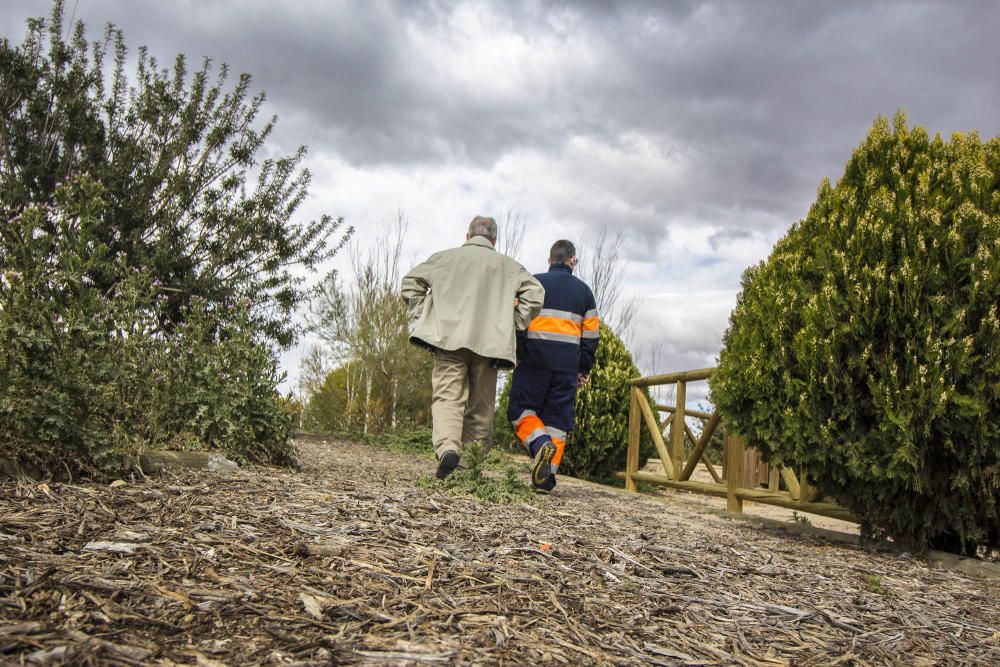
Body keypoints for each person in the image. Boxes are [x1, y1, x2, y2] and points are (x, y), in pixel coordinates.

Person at [401, 216, 544, 480]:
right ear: (494, 240)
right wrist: (513, 322)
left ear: (468, 236)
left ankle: (447, 449)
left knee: (447, 397)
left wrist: (427, 314)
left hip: (448, 338)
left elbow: (411, 283)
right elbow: (535, 293)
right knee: (481, 405)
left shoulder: (444, 258)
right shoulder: (509, 266)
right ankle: (470, 467)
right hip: (490, 343)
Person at [507, 240, 599, 493]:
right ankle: (545, 480)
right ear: (572, 261)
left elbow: (517, 321)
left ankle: (539, 445)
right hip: (567, 368)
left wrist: (521, 353)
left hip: (534, 362)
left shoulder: (533, 284)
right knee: (557, 421)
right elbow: (591, 336)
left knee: (520, 410)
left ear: (549, 261)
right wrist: (583, 369)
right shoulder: (584, 292)